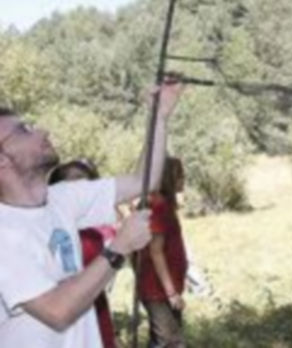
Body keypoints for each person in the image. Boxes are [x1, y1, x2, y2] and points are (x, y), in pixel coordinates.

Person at [0, 79, 183, 347]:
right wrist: (118, 248)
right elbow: (57, 311)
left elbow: (142, 180)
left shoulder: (62, 197)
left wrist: (159, 116)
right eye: (24, 130)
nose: (42, 131)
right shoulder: (5, 232)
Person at [49, 159, 119, 348]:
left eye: (88, 181)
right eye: (76, 179)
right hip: (65, 309)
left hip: (96, 306)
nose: (83, 185)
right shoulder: (51, 228)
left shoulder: (95, 233)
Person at [137, 157, 189, 347]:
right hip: (157, 289)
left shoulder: (165, 204)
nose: (183, 180)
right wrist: (171, 293)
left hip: (166, 286)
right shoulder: (158, 205)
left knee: (162, 339)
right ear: (167, 177)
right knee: (170, 341)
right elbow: (155, 251)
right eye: (179, 176)